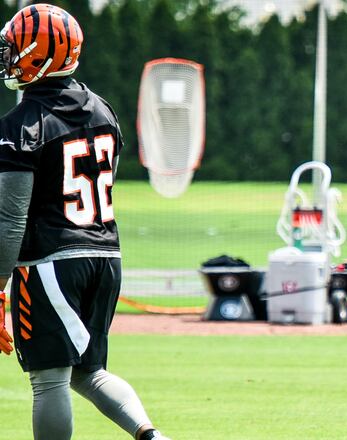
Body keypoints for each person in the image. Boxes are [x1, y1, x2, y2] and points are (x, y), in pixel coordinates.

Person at [0, 4, 169, 440]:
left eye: (15, 48)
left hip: (52, 261)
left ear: (39, 55)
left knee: (49, 379)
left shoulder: (22, 125)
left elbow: (10, 217)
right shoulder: (103, 110)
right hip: (106, 254)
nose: (8, 56)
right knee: (88, 372)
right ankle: (151, 436)